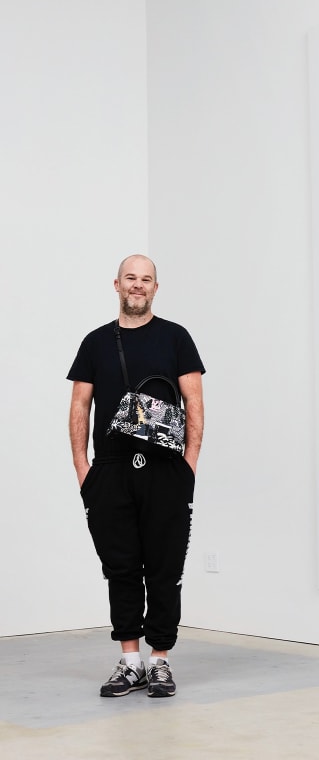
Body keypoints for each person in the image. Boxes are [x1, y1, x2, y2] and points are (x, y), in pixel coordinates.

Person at [67, 254, 205, 698]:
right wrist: (83, 469)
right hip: (109, 473)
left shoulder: (176, 338)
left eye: (146, 279)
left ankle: (160, 660)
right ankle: (130, 662)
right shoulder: (94, 343)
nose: (138, 285)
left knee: (165, 568)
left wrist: (189, 465)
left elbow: (194, 403)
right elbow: (79, 408)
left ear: (156, 288)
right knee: (121, 567)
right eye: (131, 278)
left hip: (166, 472)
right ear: (117, 285)